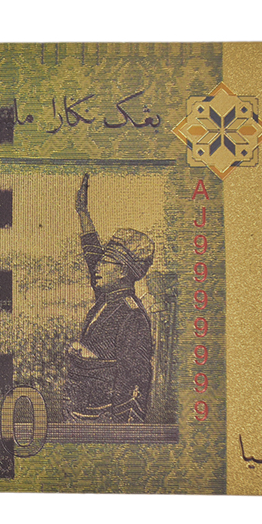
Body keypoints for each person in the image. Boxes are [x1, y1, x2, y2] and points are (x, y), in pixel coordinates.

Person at [66, 173, 155, 423]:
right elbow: (92, 254)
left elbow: (136, 381)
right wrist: (82, 213)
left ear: (123, 271)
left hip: (103, 420)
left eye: (106, 263)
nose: (97, 267)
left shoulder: (132, 317)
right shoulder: (108, 297)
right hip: (80, 411)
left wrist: (123, 432)